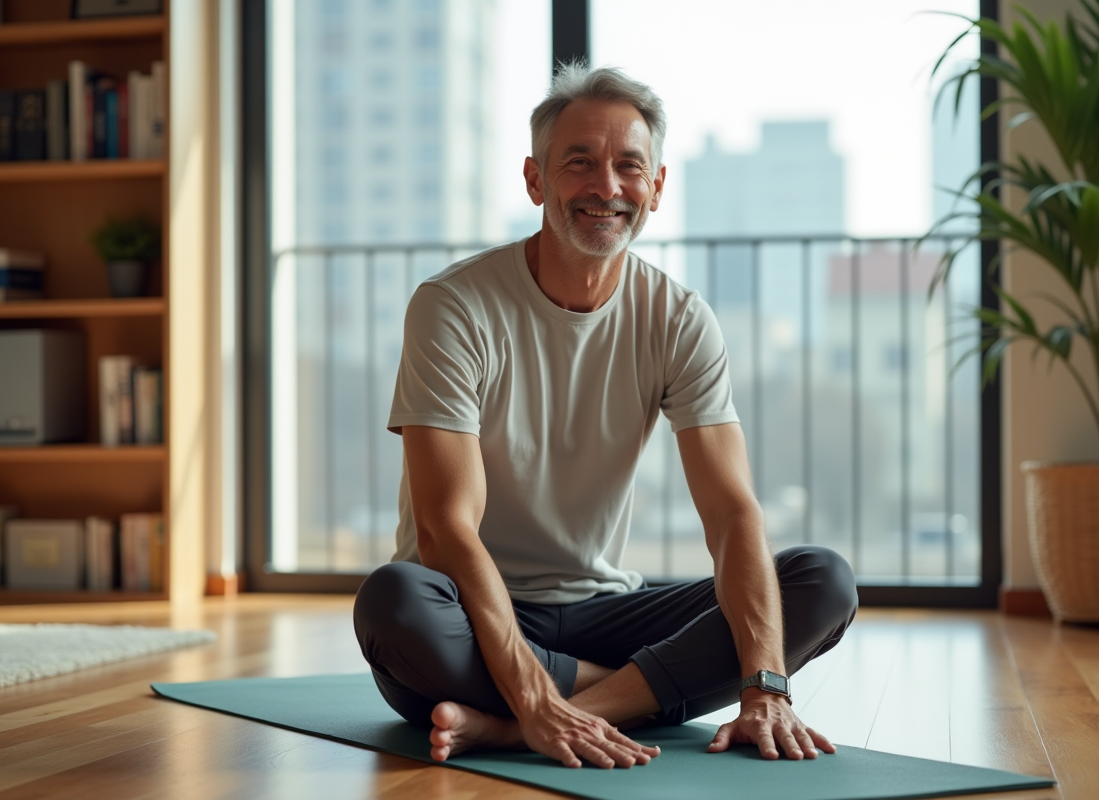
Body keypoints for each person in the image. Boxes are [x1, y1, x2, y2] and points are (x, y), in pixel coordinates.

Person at [354, 63, 857, 770]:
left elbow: (732, 514)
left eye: (629, 166)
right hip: (472, 609)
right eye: (580, 163)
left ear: (657, 186)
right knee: (394, 603)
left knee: (821, 581)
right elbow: (445, 530)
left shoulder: (679, 318)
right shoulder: (453, 307)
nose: (607, 187)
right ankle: (627, 694)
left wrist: (765, 687)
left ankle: (510, 726)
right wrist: (532, 691)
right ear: (535, 180)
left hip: (604, 609)